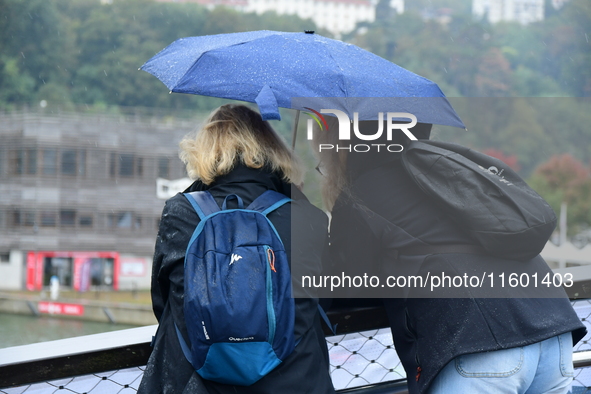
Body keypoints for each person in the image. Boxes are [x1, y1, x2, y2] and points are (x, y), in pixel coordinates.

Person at [313, 117, 586, 394]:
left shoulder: (363, 194)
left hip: (479, 344)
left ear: (344, 146)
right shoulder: (448, 169)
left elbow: (350, 285)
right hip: (553, 330)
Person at [138, 104, 335, 394]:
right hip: (297, 382)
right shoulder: (308, 218)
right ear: (273, 150)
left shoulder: (180, 213)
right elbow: (325, 299)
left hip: (199, 384)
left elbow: (163, 301)